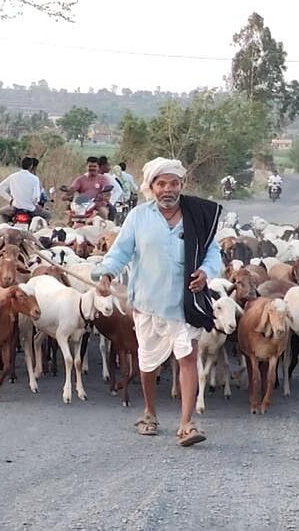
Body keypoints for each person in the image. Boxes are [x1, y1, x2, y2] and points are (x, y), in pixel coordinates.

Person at [92, 157, 223, 447]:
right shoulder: (139, 216)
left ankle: (187, 423)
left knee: (188, 358)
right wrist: (106, 274)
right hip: (148, 302)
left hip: (185, 303)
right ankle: (150, 413)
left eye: (174, 183)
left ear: (182, 185)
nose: (168, 189)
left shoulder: (197, 215)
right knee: (148, 362)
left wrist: (206, 272)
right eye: (161, 184)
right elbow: (120, 251)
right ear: (151, 187)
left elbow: (213, 252)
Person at [0, 156, 48, 222]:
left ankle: (4, 226)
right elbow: (35, 197)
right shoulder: (35, 179)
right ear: (31, 166)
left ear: (21, 165)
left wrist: (10, 200)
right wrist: (36, 204)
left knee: (1, 212)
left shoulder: (13, 177)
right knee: (48, 215)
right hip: (31, 209)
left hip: (15, 208)